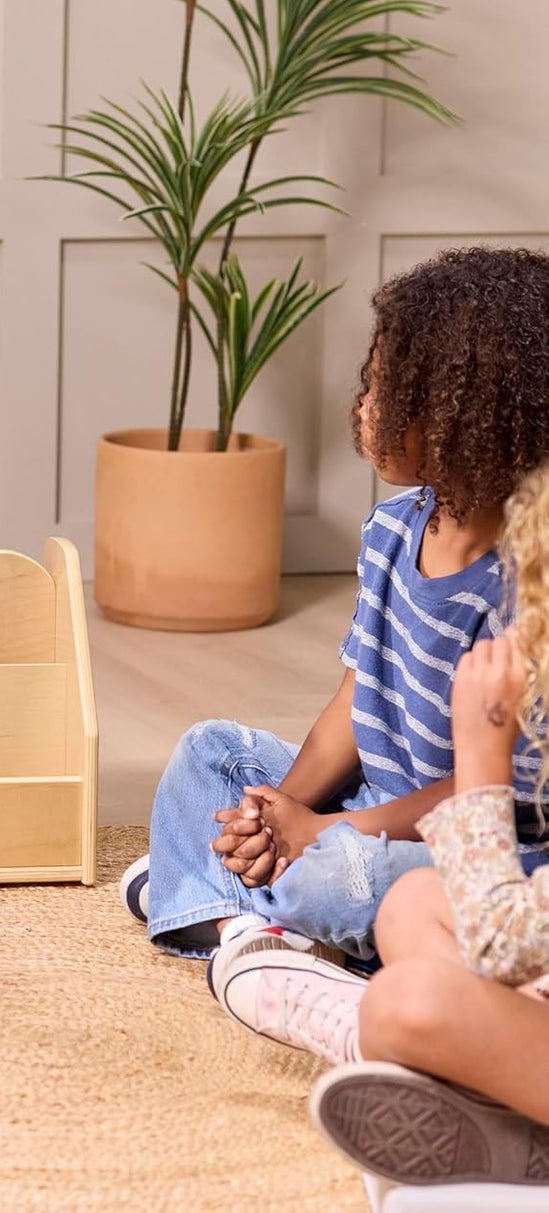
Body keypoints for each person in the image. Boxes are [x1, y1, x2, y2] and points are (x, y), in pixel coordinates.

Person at [121, 247, 549, 990]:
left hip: (464, 845)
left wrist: (320, 831)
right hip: (367, 805)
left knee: (338, 876)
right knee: (209, 753)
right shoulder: (390, 530)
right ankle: (245, 923)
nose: (364, 404)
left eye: (389, 388)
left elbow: (492, 795)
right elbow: (358, 700)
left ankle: (217, 900)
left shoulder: (526, 586)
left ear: (463, 416)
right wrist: (278, 810)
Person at [218, 467, 549, 1186]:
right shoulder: (393, 528)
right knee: (407, 906)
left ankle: (328, 1012)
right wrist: (287, 816)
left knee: (408, 999)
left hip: (482, 891)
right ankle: (507, 1129)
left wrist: (483, 754)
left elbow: (502, 936)